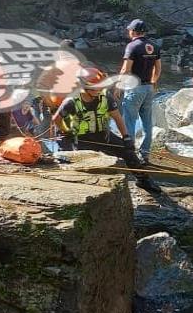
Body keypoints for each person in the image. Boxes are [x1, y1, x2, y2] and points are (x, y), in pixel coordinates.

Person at [53, 67, 162, 194]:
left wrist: (126, 137)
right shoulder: (72, 101)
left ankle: (143, 179)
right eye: (95, 87)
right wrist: (67, 132)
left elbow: (117, 118)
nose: (99, 89)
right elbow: (56, 119)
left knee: (128, 151)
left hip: (101, 134)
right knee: (76, 162)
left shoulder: (105, 97)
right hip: (79, 138)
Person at [118, 19, 161, 165]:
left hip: (134, 88)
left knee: (129, 121)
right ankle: (145, 154)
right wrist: (154, 81)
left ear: (133, 32)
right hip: (149, 88)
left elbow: (126, 69)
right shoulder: (154, 46)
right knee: (147, 122)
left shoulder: (132, 46)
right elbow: (158, 67)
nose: (128, 32)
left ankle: (129, 154)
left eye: (129, 30)